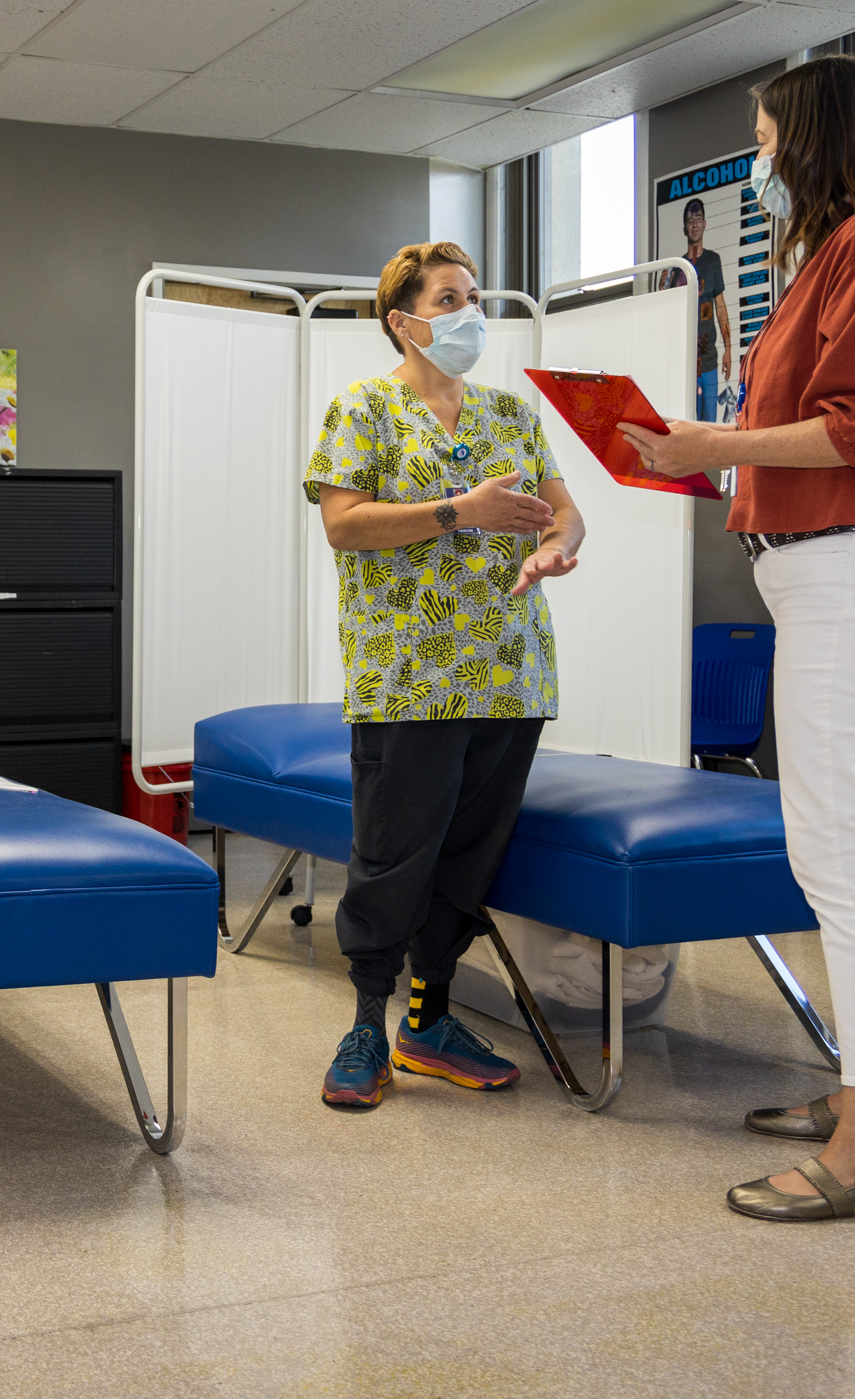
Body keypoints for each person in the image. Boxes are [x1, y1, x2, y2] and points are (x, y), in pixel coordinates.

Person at [619, 55, 855, 1221]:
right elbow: (815, 428)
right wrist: (713, 454)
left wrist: (713, 448)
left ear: (813, 139)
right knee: (847, 846)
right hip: (842, 572)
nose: (760, 160)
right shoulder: (853, 249)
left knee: (842, 857)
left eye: (767, 139)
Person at [304, 241, 586, 1110]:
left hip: (510, 673)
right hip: (409, 679)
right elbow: (344, 525)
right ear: (405, 321)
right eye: (451, 298)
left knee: (469, 859)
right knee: (393, 857)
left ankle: (426, 1022)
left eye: (476, 298)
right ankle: (363, 1024)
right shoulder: (365, 412)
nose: (472, 314)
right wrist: (463, 511)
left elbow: (566, 512)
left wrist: (555, 547)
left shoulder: (510, 414)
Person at [662, 196, 732, 420]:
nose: (694, 224)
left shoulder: (713, 261)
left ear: (705, 223)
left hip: (709, 359)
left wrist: (728, 348)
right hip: (685, 362)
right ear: (684, 228)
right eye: (690, 220)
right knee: (687, 422)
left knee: (709, 423)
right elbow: (669, 314)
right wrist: (663, 285)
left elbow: (720, 306)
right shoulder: (677, 268)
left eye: (698, 219)